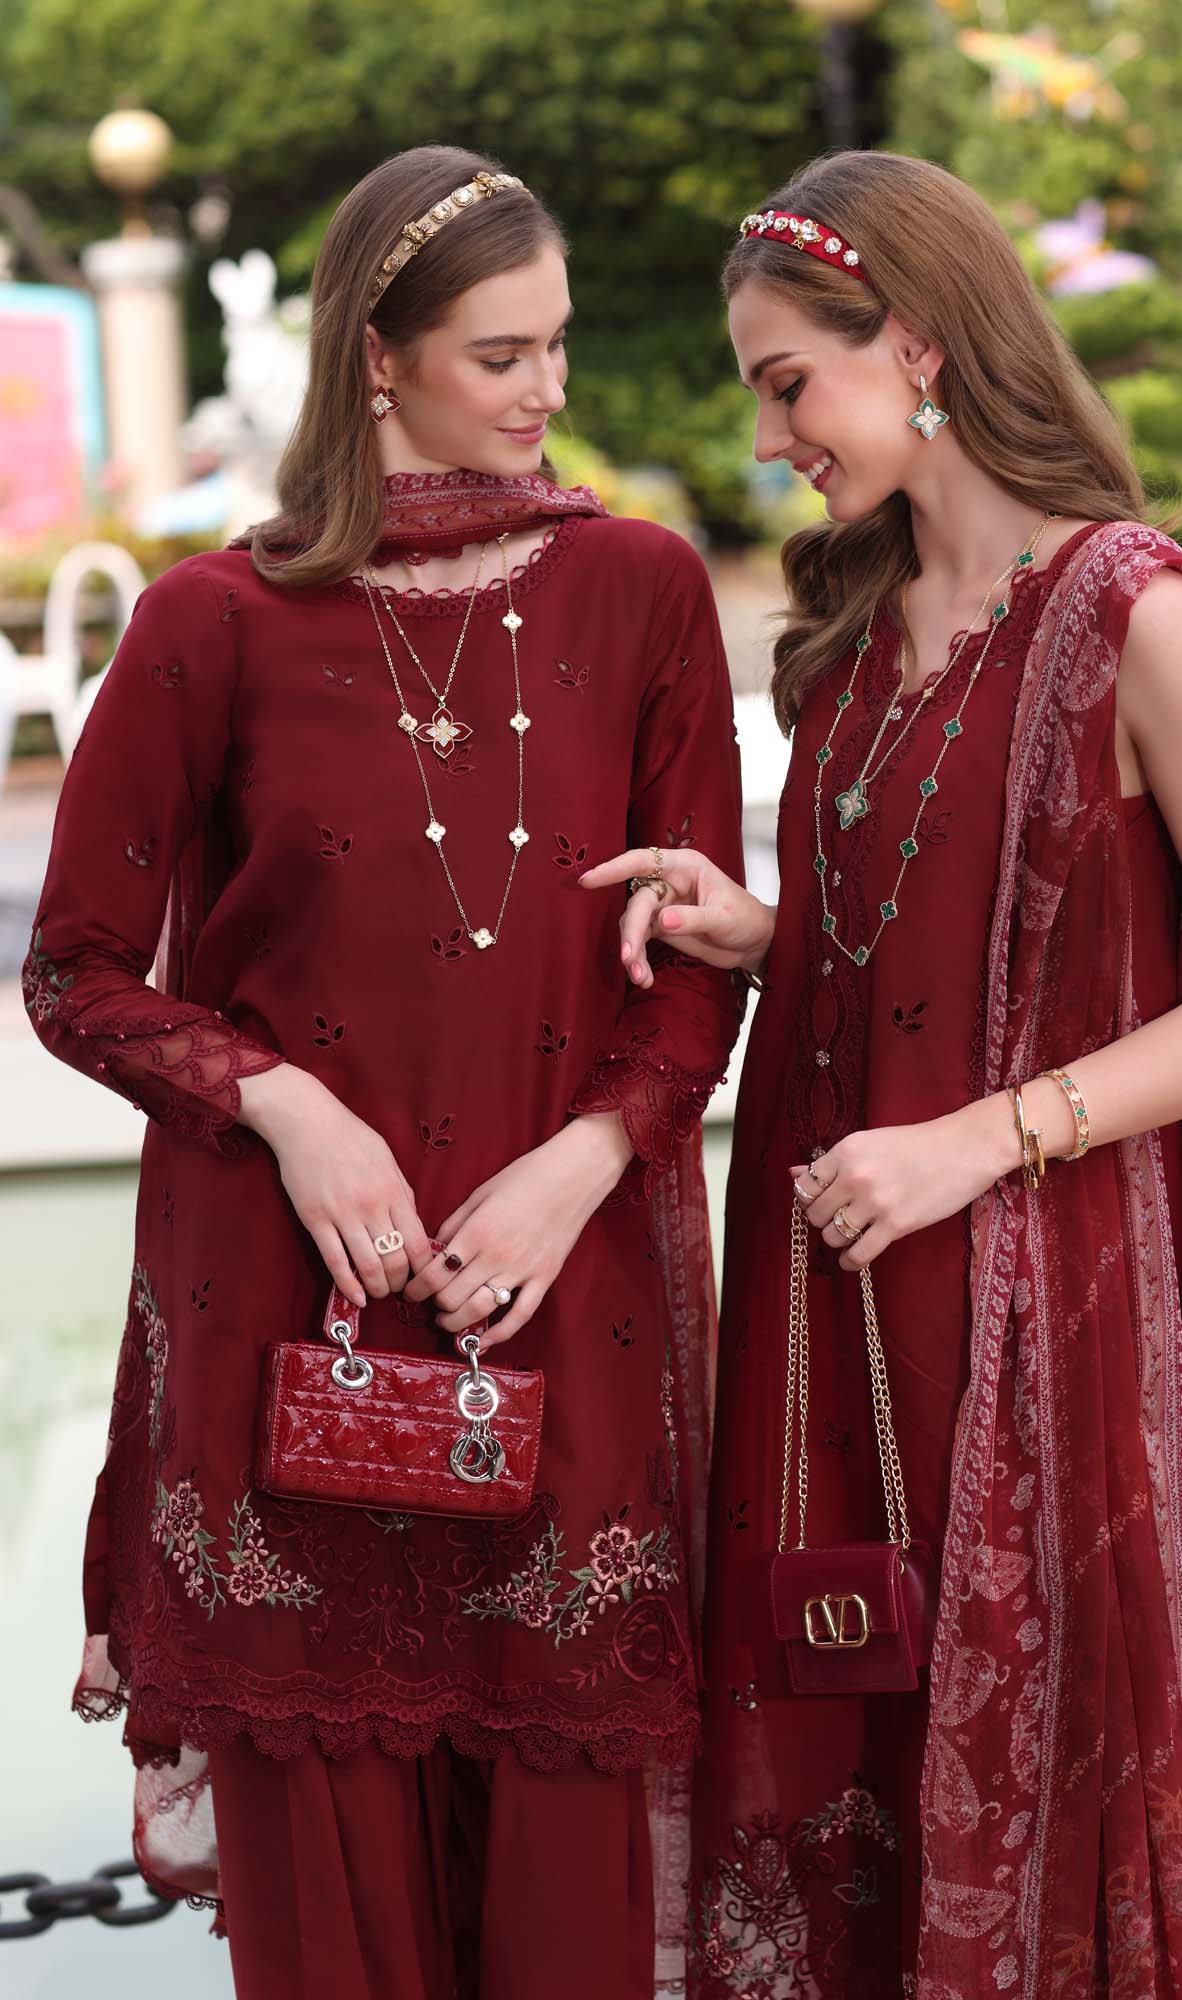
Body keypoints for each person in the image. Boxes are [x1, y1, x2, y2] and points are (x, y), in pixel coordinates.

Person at [582, 150, 1182, 1996]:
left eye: (789, 385)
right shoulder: (857, 634)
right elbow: (950, 942)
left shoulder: (1131, 613)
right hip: (841, 1301)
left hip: (1051, 1314)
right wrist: (766, 932)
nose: (772, 440)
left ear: (914, 343)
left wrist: (976, 1144)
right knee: (858, 1755)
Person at [23, 143, 744, 2000]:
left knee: (568, 1902)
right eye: (502, 354)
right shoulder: (210, 623)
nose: (547, 389)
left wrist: (583, 1163)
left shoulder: (642, 593)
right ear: (373, 356)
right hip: (289, 1322)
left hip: (556, 1313)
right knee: (332, 1926)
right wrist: (284, 1107)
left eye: (556, 344)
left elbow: (689, 979)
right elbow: (75, 971)